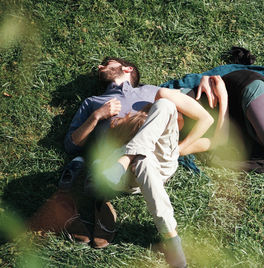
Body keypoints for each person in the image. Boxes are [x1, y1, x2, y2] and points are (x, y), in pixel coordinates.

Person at [63, 57, 215, 268]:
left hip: (158, 160)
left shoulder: (152, 91)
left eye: (106, 63)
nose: (99, 66)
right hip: (127, 174)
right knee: (143, 161)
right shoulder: (93, 103)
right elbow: (71, 145)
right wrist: (98, 116)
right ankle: (171, 239)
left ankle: (126, 158)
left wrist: (180, 150)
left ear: (127, 68)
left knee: (164, 103)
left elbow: (203, 116)